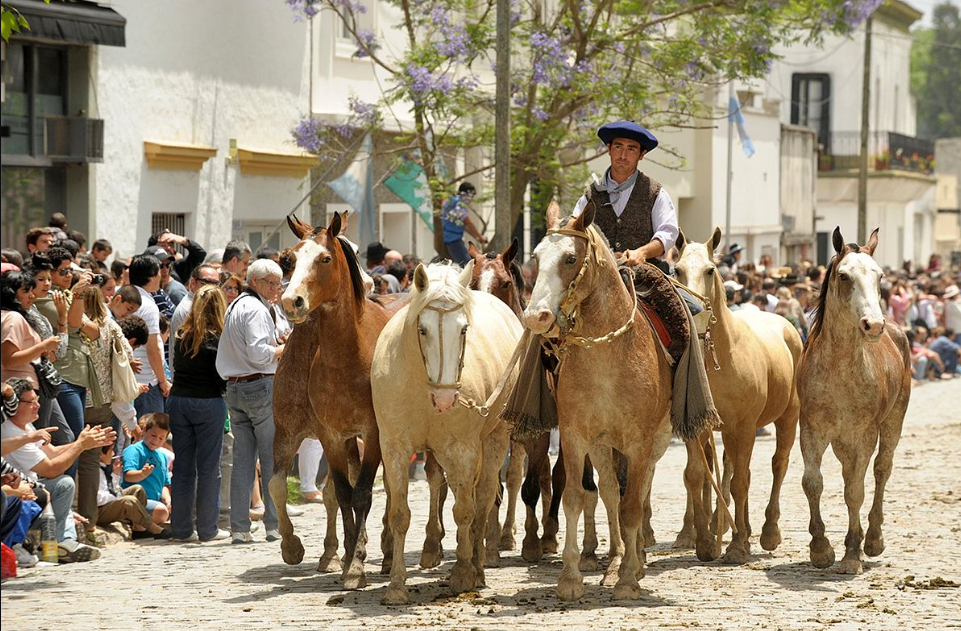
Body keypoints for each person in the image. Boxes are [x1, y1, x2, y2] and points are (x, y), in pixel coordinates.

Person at [1, 378, 114, 562]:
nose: (38, 405)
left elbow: (51, 453)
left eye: (37, 400)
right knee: (63, 484)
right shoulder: (10, 432)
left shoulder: (26, 426)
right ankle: (59, 542)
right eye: (31, 402)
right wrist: (80, 446)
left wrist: (81, 444)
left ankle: (63, 542)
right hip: (20, 496)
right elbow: (51, 469)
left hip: (32, 491)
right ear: (12, 405)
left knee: (59, 489)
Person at [216, 259, 285, 544]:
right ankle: (273, 525)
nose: (276, 289)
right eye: (270, 282)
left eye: (278, 283)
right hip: (259, 384)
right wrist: (284, 348)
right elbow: (259, 354)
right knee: (270, 458)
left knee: (243, 461)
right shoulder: (256, 308)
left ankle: (240, 528)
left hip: (235, 387)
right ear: (255, 281)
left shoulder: (237, 304)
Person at [72, 282, 138, 532]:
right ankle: (89, 521)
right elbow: (129, 353)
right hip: (104, 401)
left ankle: (73, 518)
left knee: (73, 456)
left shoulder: (77, 325)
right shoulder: (110, 326)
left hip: (80, 399)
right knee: (91, 462)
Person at [168, 284, 229, 542]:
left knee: (182, 467)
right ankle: (207, 529)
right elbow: (222, 377)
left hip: (179, 400)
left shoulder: (182, 335)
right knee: (208, 468)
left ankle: (181, 529)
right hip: (207, 403)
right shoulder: (217, 340)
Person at [128, 254, 169, 416]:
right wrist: (163, 381)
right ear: (151, 276)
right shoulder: (148, 305)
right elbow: (153, 348)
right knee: (149, 437)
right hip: (146, 382)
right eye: (160, 271)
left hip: (129, 380)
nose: (163, 274)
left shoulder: (124, 295)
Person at [121, 412, 172, 531]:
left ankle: (143, 525)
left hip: (154, 500)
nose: (156, 440)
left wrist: (167, 499)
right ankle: (138, 525)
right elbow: (127, 476)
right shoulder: (134, 450)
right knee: (161, 512)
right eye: (153, 435)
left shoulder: (162, 456)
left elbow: (164, 483)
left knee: (166, 509)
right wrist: (142, 474)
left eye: (161, 438)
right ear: (144, 430)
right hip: (136, 502)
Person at [168, 264, 221, 374]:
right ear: (192, 283)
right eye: (205, 282)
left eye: (215, 284)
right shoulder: (189, 310)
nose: (210, 288)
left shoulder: (205, 306)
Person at [441, 182, 487, 265]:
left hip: (451, 238)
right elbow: (469, 223)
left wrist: (476, 237)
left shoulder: (452, 200)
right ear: (465, 193)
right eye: (471, 195)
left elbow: (462, 225)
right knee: (467, 264)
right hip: (453, 240)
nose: (471, 198)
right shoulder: (459, 204)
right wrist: (480, 237)